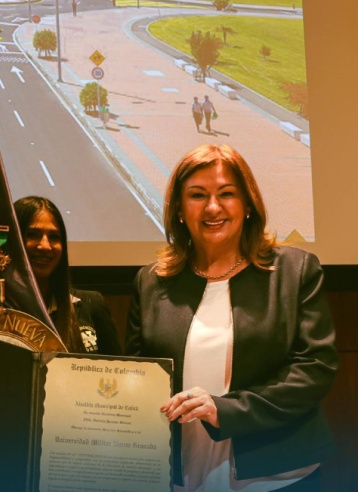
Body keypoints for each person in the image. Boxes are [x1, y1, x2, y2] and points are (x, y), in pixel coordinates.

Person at [126, 144, 338, 492]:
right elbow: (139, 375)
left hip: (275, 476)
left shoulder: (294, 271)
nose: (213, 207)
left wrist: (225, 410)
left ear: (248, 205)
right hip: (180, 473)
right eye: (197, 195)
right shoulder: (151, 282)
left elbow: (315, 370)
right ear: (179, 210)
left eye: (227, 193)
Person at [14, 196, 120, 355]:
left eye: (54, 237)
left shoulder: (91, 305)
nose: (45, 245)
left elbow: (118, 373)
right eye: (32, 234)